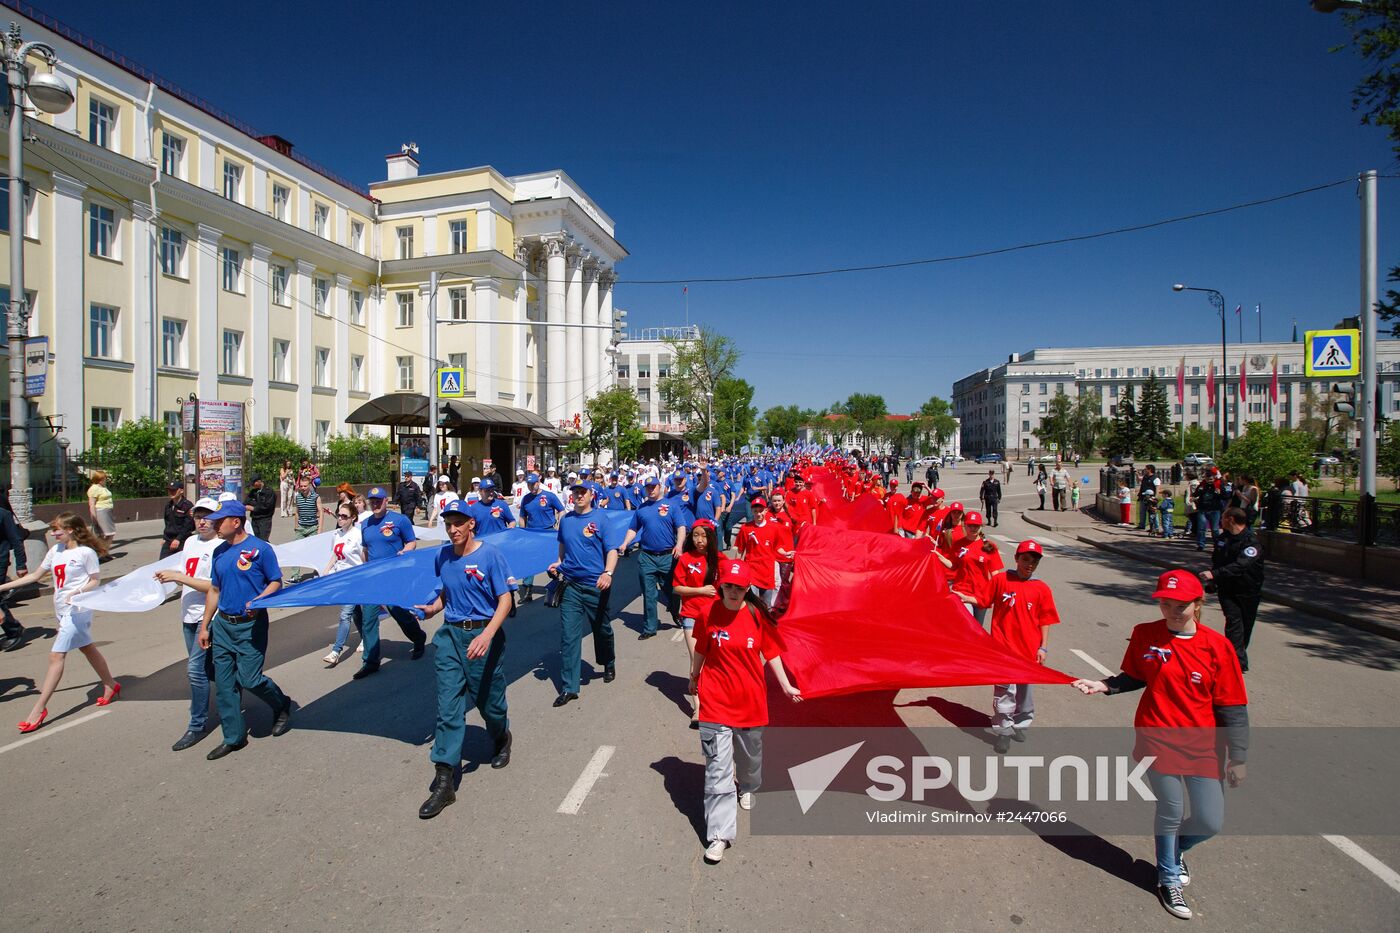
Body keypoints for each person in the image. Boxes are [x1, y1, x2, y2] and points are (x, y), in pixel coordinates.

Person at [1072, 569, 1249, 921]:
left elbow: (1232, 707)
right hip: (1156, 737)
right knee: (1169, 810)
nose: (1170, 610)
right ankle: (1167, 877)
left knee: (1210, 820)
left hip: (1204, 745)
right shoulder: (1145, 635)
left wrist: (1239, 757)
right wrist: (1104, 685)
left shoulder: (1217, 647)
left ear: (1198, 605)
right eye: (1165, 602)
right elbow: (1135, 675)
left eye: (1179, 604)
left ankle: (1175, 850)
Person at [688, 559, 802, 863]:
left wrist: (786, 685)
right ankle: (719, 835)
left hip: (750, 700)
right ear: (721, 585)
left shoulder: (755, 615)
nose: (734, 591)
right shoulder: (707, 613)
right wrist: (694, 677)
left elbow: (772, 652)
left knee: (750, 756)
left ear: (747, 588)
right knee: (717, 770)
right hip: (715, 701)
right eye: (729, 585)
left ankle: (750, 785)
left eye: (740, 587)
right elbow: (701, 647)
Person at [413, 498, 516, 819]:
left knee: (490, 704)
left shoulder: (489, 555)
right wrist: (432, 609)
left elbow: (506, 600)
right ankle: (445, 778)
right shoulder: (443, 555)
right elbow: (446, 590)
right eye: (448, 524)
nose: (453, 529)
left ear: (472, 524)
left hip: (484, 635)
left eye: (459, 523)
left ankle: (501, 736)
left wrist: (486, 636)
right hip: (450, 637)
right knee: (448, 706)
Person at [196, 499, 293, 759]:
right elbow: (214, 590)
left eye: (219, 521)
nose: (214, 525)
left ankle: (280, 703)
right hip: (224, 626)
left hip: (251, 626)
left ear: (236, 522)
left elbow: (276, 582)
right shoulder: (219, 552)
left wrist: (259, 601)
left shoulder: (260, 549)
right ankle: (234, 737)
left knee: (250, 679)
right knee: (225, 685)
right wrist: (205, 626)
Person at [5, 513, 118, 733]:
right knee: (87, 648)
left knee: (56, 656)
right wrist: (3, 587)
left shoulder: (85, 553)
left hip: (78, 609)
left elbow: (95, 580)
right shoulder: (55, 551)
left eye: (57, 529)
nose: (53, 533)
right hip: (61, 609)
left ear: (71, 530)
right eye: (53, 529)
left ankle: (38, 709)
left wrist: (78, 591)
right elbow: (35, 576)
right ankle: (111, 684)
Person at [154, 497, 222, 751]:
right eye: (197, 516)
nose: (201, 521)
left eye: (206, 516)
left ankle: (197, 725)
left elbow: (214, 586)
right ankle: (240, 686)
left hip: (210, 616)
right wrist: (168, 579)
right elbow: (186, 576)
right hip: (188, 615)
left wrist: (179, 577)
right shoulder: (191, 542)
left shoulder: (220, 546)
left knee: (195, 670)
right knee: (208, 669)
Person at [548, 481, 620, 706]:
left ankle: (608, 660)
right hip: (570, 586)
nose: (578, 496)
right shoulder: (566, 520)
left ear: (591, 495)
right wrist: (558, 564)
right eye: (575, 492)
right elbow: (563, 547)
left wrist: (608, 573)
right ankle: (570, 687)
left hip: (596, 586)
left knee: (602, 629)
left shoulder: (601, 519)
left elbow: (612, 550)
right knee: (569, 636)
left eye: (582, 492)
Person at [985, 540, 1059, 753]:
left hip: (1029, 650)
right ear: (1016, 559)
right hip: (1003, 649)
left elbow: (1045, 619)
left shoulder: (1041, 588)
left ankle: (1020, 723)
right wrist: (959, 596)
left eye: (1034, 561)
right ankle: (1004, 731)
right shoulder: (1001, 580)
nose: (1030, 564)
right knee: (1005, 693)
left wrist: (1043, 647)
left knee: (1025, 693)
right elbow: (983, 600)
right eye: (1025, 559)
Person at [354, 487, 429, 679]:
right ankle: (370, 661)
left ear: (386, 501)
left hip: (394, 577)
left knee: (399, 613)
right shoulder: (366, 525)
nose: (376, 504)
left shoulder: (399, 520)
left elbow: (411, 542)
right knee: (368, 619)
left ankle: (418, 637)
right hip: (374, 579)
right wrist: (365, 570)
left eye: (379, 500)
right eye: (373, 501)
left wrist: (406, 551)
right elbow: (365, 550)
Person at [1200, 507, 1264, 672]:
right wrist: (1213, 580)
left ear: (1231, 519)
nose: (1220, 520)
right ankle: (1236, 662)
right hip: (1227, 589)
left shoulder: (1251, 541)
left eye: (1223, 517)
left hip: (1248, 590)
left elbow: (1241, 566)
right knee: (1234, 623)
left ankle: (1238, 657)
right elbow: (1218, 561)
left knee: (1246, 625)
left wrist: (1214, 574)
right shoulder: (1223, 538)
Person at [623, 477, 687, 640]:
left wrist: (679, 545)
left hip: (668, 556)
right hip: (647, 557)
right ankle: (650, 627)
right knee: (649, 594)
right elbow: (633, 528)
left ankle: (675, 611)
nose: (651, 489)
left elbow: (681, 527)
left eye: (653, 487)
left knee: (672, 591)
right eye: (648, 487)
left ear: (660, 487)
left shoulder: (671, 505)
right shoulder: (642, 508)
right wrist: (625, 543)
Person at [671, 518, 721, 727]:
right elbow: (676, 588)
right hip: (691, 616)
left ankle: (717, 700)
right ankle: (698, 708)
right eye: (696, 535)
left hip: (716, 617)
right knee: (697, 659)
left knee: (715, 660)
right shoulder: (685, 559)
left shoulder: (719, 559)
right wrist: (700, 591)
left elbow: (732, 586)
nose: (700, 540)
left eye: (704, 536)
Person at [320, 501, 365, 667]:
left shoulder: (358, 535)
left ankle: (336, 651)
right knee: (355, 613)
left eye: (344, 516)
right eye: (339, 515)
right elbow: (335, 555)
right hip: (341, 579)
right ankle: (366, 638)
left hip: (355, 579)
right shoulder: (336, 534)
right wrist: (326, 570)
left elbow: (364, 558)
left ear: (353, 518)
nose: (340, 518)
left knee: (345, 614)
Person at [948, 512, 1002, 627]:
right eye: (970, 525)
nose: (973, 528)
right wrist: (937, 556)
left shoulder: (988, 546)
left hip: (981, 594)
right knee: (967, 625)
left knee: (978, 628)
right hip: (962, 591)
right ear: (965, 525)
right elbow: (953, 565)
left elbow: (995, 573)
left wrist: (997, 593)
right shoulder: (958, 544)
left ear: (981, 526)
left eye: (976, 526)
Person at [735, 497, 791, 608]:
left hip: (767, 573)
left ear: (766, 510)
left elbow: (778, 547)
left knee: (766, 606)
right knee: (752, 605)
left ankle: (765, 624)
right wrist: (737, 567)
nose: (758, 514)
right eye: (755, 511)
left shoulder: (774, 528)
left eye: (761, 510)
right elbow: (740, 550)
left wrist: (785, 553)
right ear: (752, 511)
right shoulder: (745, 528)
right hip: (752, 572)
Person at [161, 481, 196, 560]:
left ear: (181, 491)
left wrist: (178, 539)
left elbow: (189, 525)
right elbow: (167, 523)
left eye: (174, 490)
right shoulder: (168, 505)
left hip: (182, 540)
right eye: (169, 490)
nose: (171, 492)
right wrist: (164, 538)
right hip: (168, 540)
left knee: (179, 565)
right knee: (161, 565)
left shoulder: (187, 505)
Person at [86, 470, 117, 546]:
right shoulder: (94, 488)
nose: (105, 479)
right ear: (99, 479)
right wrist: (94, 517)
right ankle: (103, 553)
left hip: (107, 511)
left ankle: (104, 553)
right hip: (101, 512)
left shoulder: (103, 487)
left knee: (105, 534)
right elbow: (92, 504)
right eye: (104, 478)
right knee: (108, 533)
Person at [244, 475, 278, 542]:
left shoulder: (269, 491)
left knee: (263, 540)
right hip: (254, 518)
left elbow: (268, 507)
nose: (253, 486)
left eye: (254, 483)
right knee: (255, 540)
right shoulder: (253, 492)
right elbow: (246, 502)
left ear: (259, 481)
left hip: (264, 519)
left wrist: (254, 508)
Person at [1137, 465, 1161, 531]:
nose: (1144, 470)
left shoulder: (1155, 478)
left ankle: (1156, 527)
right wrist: (1137, 474)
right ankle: (1142, 525)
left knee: (1153, 513)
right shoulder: (1145, 477)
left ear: (1149, 469)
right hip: (1143, 497)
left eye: (1145, 469)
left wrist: (1155, 498)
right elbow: (1139, 480)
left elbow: (1157, 489)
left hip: (1151, 498)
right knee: (1142, 512)